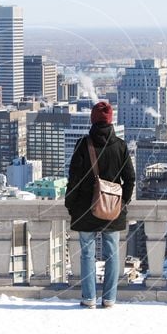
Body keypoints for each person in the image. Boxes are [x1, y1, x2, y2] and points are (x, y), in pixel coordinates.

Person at [64, 100, 135, 308]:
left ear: (92, 120)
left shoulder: (82, 144)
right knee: (112, 254)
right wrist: (122, 203)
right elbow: (130, 179)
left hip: (85, 208)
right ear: (111, 120)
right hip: (112, 207)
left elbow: (74, 179)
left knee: (87, 254)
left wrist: (71, 205)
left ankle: (89, 298)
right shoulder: (121, 146)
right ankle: (110, 299)